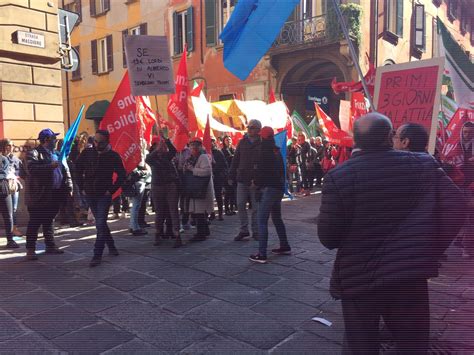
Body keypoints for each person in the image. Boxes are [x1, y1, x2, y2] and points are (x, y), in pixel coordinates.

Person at [317, 113, 466, 354]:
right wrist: (431, 248)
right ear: (389, 137)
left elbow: (329, 238)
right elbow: (457, 206)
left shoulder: (338, 177)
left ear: (355, 140)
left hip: (359, 278)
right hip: (409, 275)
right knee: (412, 345)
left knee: (361, 346)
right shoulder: (423, 163)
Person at [76, 129, 126, 267]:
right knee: (101, 223)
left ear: (107, 142)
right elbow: (78, 169)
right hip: (90, 193)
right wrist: (82, 187)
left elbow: (122, 175)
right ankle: (112, 247)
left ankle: (97, 254)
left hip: (104, 195)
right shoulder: (87, 153)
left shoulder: (113, 156)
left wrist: (111, 190)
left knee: (100, 223)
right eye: (95, 141)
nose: (97, 145)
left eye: (101, 142)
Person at [24, 129, 73, 260]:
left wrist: (69, 186)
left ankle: (50, 245)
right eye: (53, 139)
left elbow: (65, 170)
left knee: (49, 221)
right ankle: (30, 249)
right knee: (35, 223)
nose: (55, 141)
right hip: (38, 196)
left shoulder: (57, 153)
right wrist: (50, 166)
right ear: (46, 140)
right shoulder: (33, 153)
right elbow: (32, 169)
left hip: (54, 194)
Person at [249, 127, 291, 264]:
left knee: (262, 220)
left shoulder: (263, 151)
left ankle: (262, 254)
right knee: (277, 218)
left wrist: (256, 183)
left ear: (263, 137)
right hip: (278, 187)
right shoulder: (276, 150)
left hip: (268, 188)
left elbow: (261, 171)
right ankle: (284, 245)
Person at [145, 134, 181, 248]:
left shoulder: (167, 156)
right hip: (157, 186)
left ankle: (177, 235)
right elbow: (148, 159)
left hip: (170, 186)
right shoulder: (152, 158)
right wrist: (157, 150)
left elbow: (174, 150)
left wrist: (167, 140)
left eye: (163, 146)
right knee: (159, 212)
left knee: (173, 210)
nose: (161, 148)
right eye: (158, 146)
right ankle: (157, 233)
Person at [229, 119, 262, 241]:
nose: (249, 129)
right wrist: (231, 175)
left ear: (258, 129)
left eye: (252, 127)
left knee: (256, 207)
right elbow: (235, 159)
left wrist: (260, 177)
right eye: (249, 127)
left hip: (256, 180)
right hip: (242, 179)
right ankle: (244, 230)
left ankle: (256, 231)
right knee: (240, 204)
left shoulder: (262, 143)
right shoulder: (242, 142)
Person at [184, 138, 214, 241]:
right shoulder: (191, 158)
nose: (193, 147)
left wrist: (192, 169)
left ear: (200, 146)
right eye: (191, 145)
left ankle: (201, 234)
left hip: (201, 188)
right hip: (195, 188)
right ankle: (205, 231)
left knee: (200, 212)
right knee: (197, 212)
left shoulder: (203, 157)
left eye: (195, 145)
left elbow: (207, 172)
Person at [1, 139, 24, 237]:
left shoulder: (14, 158)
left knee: (13, 208)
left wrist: (16, 176)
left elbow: (20, 170)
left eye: (11, 145)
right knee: (7, 211)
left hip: (12, 185)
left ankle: (14, 228)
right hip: (3, 185)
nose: (10, 148)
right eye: (8, 145)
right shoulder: (2, 158)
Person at [0, 150, 17, 249]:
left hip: (3, 188)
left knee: (8, 215)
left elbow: (4, 173)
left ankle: (10, 240)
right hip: (3, 186)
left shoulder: (3, 159)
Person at [211, 138, 228, 221]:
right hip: (208, 177)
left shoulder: (218, 152)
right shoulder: (205, 153)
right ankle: (212, 213)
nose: (210, 143)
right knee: (210, 196)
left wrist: (216, 170)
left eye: (212, 141)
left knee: (218, 195)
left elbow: (224, 164)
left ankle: (220, 213)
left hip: (217, 177)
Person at [222, 135, 236, 215]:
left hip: (234, 173)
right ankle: (226, 209)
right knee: (227, 192)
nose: (229, 141)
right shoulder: (222, 151)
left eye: (230, 140)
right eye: (227, 140)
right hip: (226, 174)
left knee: (232, 192)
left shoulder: (234, 150)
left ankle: (232, 208)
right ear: (224, 141)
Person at [295, 132, 312, 196]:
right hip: (299, 162)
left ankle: (307, 191)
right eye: (298, 138)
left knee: (304, 176)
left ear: (304, 138)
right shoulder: (298, 144)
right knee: (301, 177)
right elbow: (296, 154)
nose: (299, 140)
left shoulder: (306, 144)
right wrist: (294, 148)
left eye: (301, 138)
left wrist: (308, 161)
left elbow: (309, 153)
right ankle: (302, 190)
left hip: (304, 162)